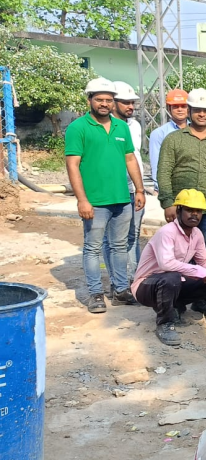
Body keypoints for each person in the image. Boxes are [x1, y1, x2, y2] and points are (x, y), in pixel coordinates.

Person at [66, 78, 145, 313]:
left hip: (122, 198)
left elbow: (130, 159)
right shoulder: (78, 128)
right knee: (92, 248)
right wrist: (82, 200)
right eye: (99, 99)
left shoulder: (122, 127)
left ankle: (120, 290)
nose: (104, 104)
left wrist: (139, 189)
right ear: (89, 100)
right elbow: (72, 165)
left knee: (120, 246)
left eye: (108, 100)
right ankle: (95, 294)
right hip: (95, 202)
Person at [131, 189, 206, 346]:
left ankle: (176, 306)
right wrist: (202, 272)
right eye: (189, 210)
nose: (195, 214)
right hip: (146, 285)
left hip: (172, 282)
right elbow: (166, 264)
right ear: (179, 210)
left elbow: (204, 260)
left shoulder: (197, 233)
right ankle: (165, 323)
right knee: (171, 277)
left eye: (198, 211)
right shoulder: (167, 232)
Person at [157, 88, 206, 254]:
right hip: (181, 208)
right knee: (178, 251)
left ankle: (202, 273)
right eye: (197, 110)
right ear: (189, 111)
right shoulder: (173, 140)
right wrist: (168, 203)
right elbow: (164, 171)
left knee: (204, 251)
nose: (201, 114)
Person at [103, 81, 145, 284]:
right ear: (113, 103)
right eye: (125, 102)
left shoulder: (134, 126)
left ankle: (133, 278)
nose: (130, 106)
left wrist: (140, 188)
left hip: (133, 188)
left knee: (132, 235)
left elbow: (133, 156)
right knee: (112, 240)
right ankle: (116, 281)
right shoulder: (105, 126)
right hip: (113, 190)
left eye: (132, 102)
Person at [149, 88, 188, 190]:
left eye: (183, 106)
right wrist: (160, 189)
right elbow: (156, 164)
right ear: (169, 108)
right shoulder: (159, 134)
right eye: (175, 106)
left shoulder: (196, 131)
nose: (180, 109)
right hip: (170, 188)